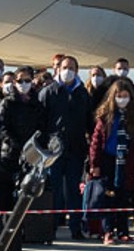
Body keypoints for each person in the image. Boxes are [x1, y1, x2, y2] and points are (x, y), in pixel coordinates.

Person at [87, 81, 134, 245]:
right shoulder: (105, 116)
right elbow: (96, 142)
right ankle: (108, 231)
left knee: (124, 197)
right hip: (108, 160)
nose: (122, 99)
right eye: (119, 96)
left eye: (125, 96)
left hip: (128, 162)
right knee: (108, 197)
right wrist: (95, 165)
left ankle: (123, 231)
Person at [40, 55, 91, 241]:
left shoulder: (82, 94)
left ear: (77, 71)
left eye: (71, 68)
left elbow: (89, 121)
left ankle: (75, 228)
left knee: (73, 191)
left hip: (76, 149)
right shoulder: (49, 92)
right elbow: (42, 121)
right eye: (65, 67)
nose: (68, 71)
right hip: (54, 151)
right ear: (58, 69)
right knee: (54, 191)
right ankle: (50, 228)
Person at [0, 67, 41, 211]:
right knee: (6, 191)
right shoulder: (7, 103)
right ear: (15, 82)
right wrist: (16, 144)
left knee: (27, 190)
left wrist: (32, 146)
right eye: (20, 80)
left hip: (31, 154)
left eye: (27, 80)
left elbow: (41, 127)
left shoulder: (37, 104)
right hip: (10, 153)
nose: (24, 84)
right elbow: (2, 128)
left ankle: (25, 228)